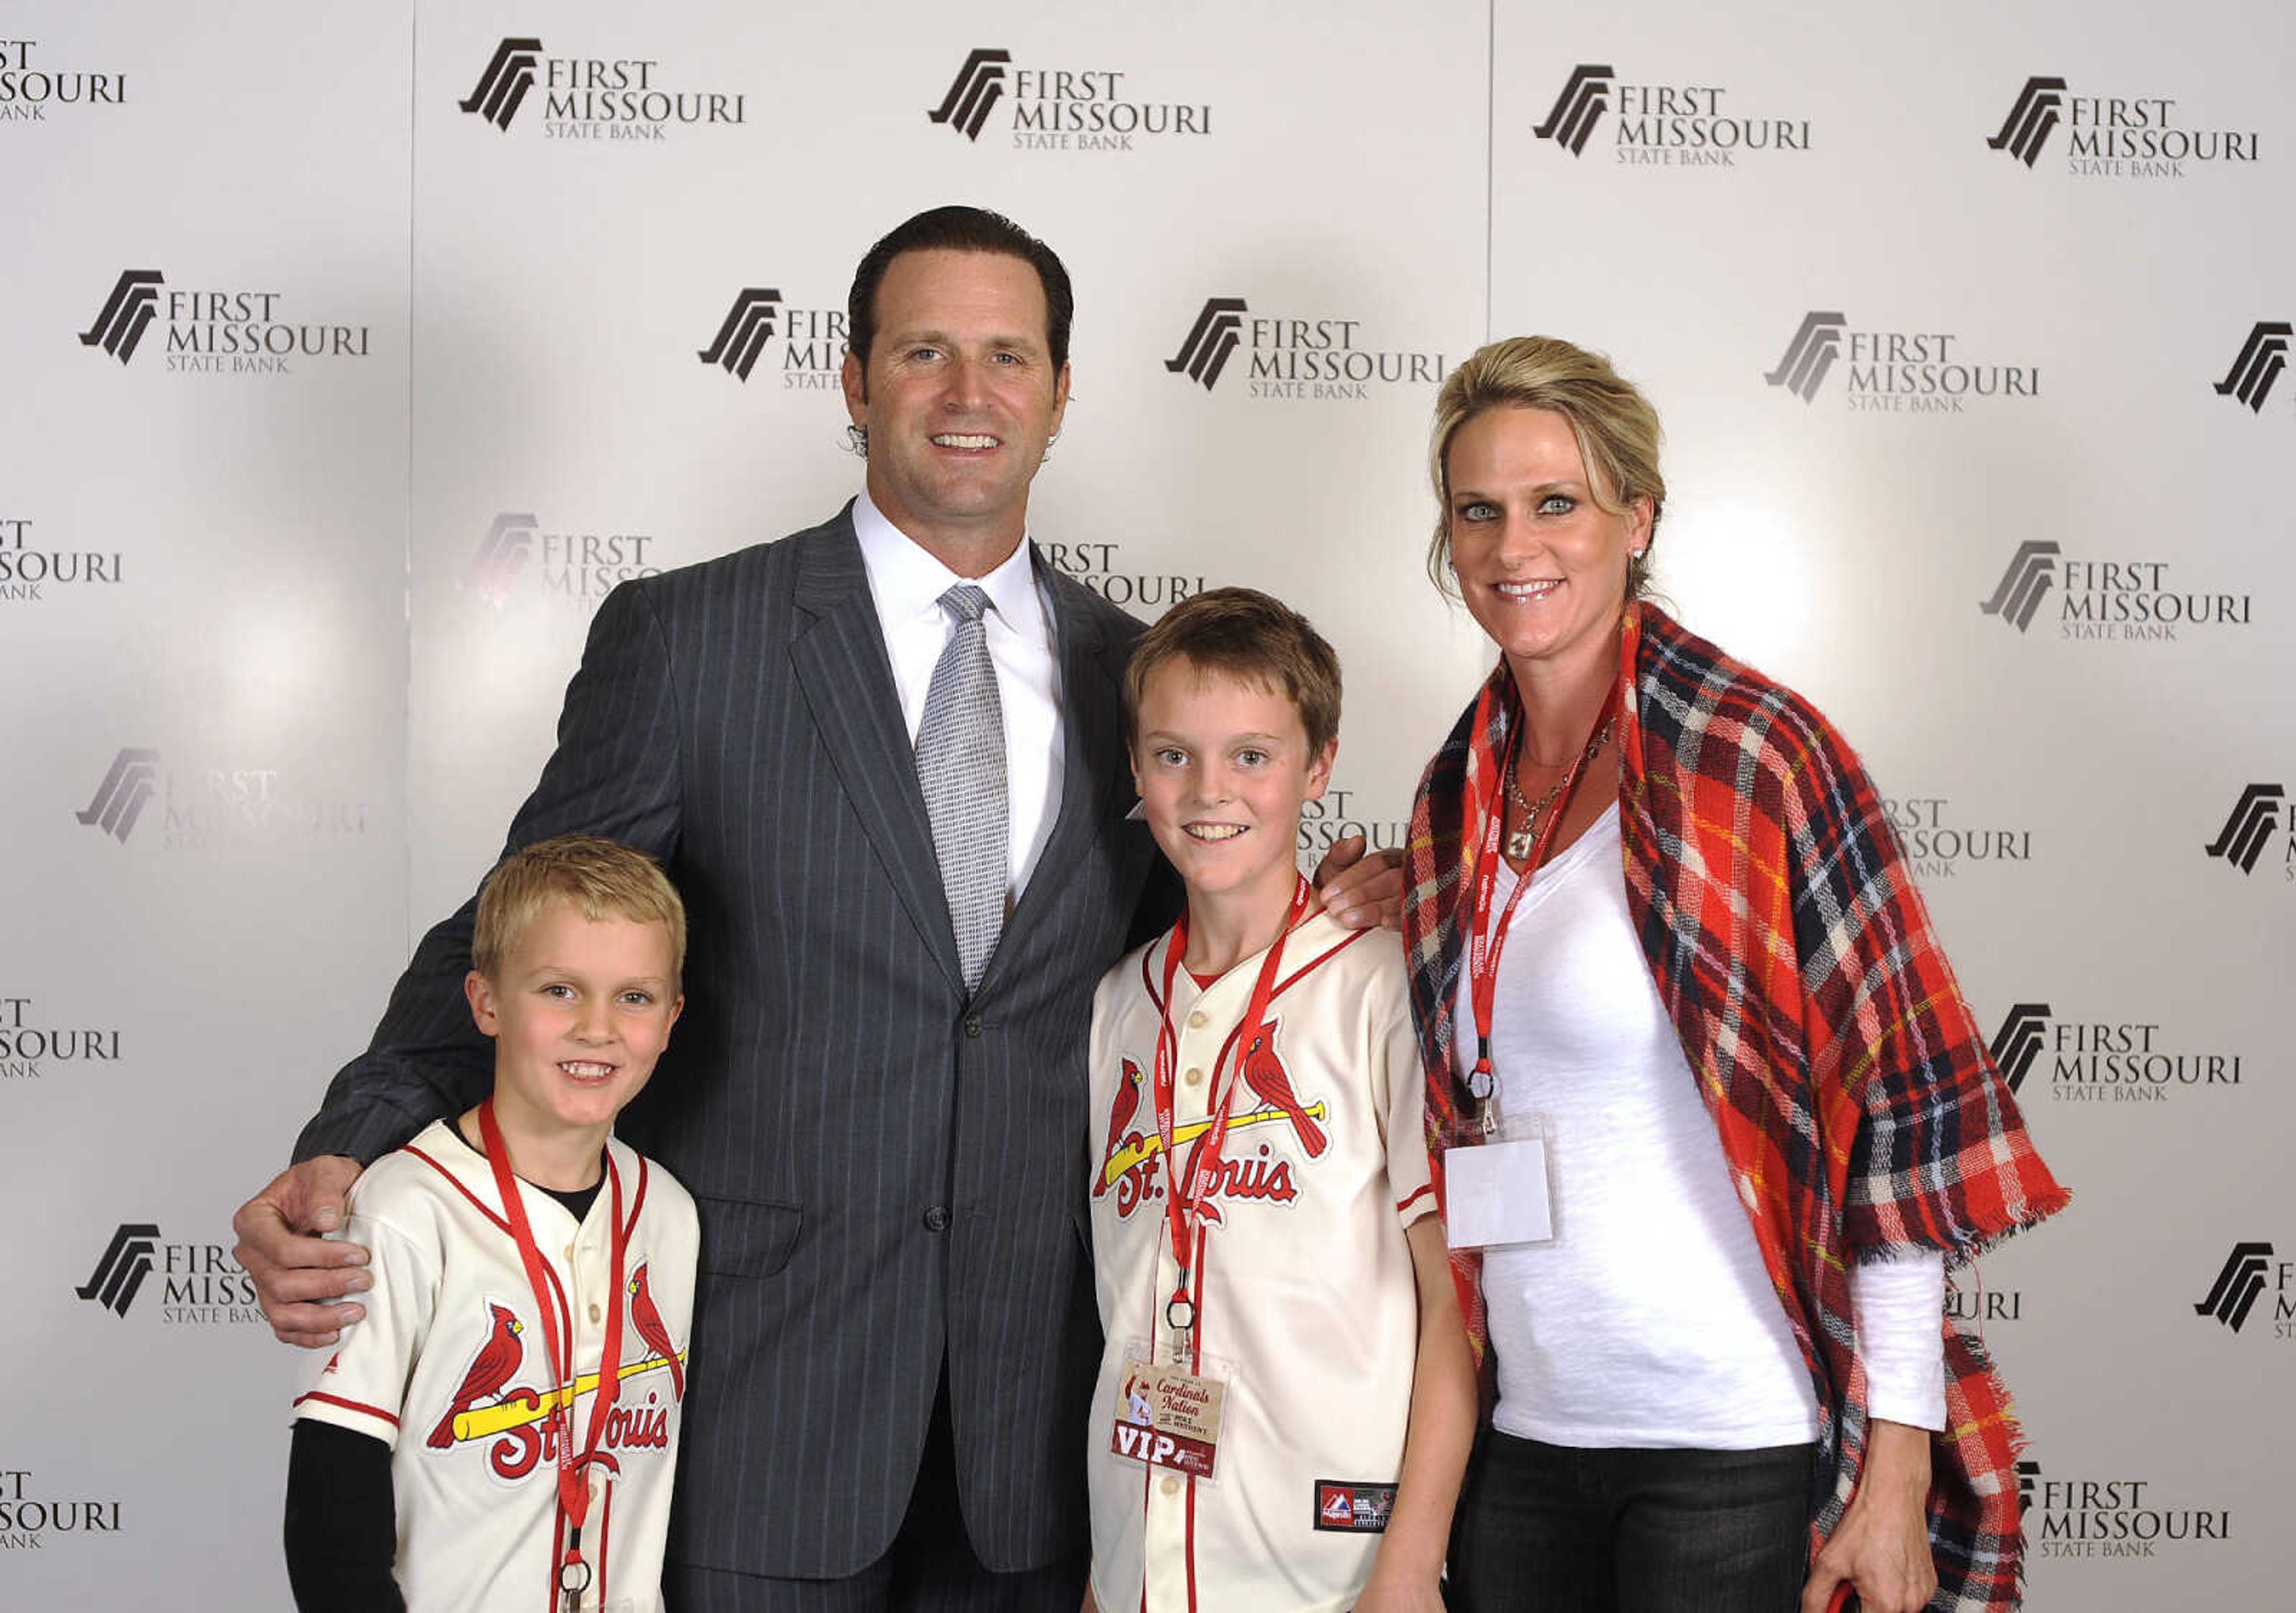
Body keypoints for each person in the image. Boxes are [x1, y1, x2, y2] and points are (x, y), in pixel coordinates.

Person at [233, 204, 1399, 1612]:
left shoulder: (1134, 675)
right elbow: (521, 926)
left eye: (1008, 356)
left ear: (1062, 392)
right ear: (854, 383)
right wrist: (347, 1142)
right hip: (762, 1407)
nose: (970, 395)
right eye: (924, 353)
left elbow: (1218, 928)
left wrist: (1370, 891)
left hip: (1043, 1440)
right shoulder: (692, 639)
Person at [1400, 337, 2068, 1613]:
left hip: (1731, 1449)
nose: (1511, 545)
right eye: (1477, 510)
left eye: (1558, 503)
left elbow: (1896, 1133)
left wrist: (1892, 1470)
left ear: (1637, 516)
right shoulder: (1456, 794)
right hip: (1524, 1439)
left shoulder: (1759, 755)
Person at [1084, 590, 1474, 1613]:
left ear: (1320, 766)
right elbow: (1127, 1301)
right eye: (1173, 754)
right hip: (1142, 1564)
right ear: (1135, 767)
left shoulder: (1386, 985)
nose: (1210, 789)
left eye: (1252, 755)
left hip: (1332, 1569)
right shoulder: (1117, 1006)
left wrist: (1410, 1564)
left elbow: (1457, 1308)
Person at [284, 834, 697, 1611]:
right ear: (486, 1000)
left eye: (634, 996)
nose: (597, 1027)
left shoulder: (669, 1213)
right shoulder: (402, 1208)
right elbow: (331, 1520)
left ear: (673, 1016)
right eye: (560, 990)